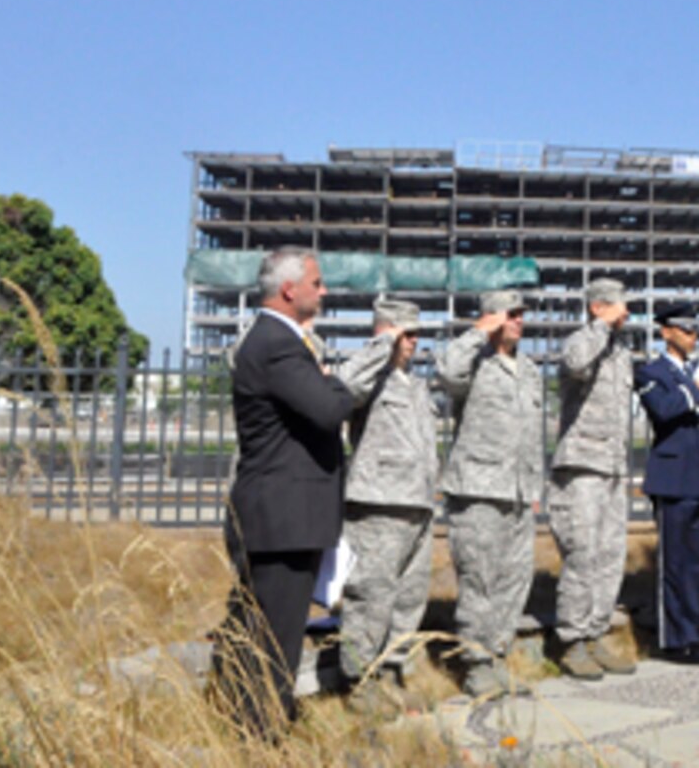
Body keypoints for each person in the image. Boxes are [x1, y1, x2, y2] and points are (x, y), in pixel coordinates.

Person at [209, 247, 396, 739]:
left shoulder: (278, 341)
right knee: (275, 639)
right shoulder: (276, 343)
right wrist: (331, 387)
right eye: (317, 282)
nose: (324, 290)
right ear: (290, 290)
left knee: (260, 630)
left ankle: (245, 723)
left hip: (281, 518)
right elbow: (327, 408)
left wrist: (325, 383)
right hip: (281, 521)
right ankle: (261, 733)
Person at [436, 288, 546, 699]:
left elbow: (532, 436)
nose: (518, 321)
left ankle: (497, 655)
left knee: (514, 579)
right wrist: (478, 332)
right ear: (491, 318)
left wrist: (533, 487)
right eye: (510, 314)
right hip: (478, 490)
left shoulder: (530, 370)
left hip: (517, 493)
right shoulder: (473, 363)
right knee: (479, 580)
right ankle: (476, 663)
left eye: (521, 315)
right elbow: (446, 374)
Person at [333, 295, 439, 714]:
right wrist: (382, 343)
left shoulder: (415, 385)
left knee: (408, 597)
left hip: (416, 503)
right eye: (405, 334)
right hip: (378, 503)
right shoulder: (368, 376)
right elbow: (344, 385)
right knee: (372, 596)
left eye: (416, 334)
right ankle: (359, 680)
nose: (412, 342)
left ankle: (391, 670)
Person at [545, 278, 639, 680]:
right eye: (620, 305)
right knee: (582, 553)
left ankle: (596, 631)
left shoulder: (621, 352)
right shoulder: (582, 340)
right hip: (581, 464)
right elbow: (576, 365)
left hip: (614, 466)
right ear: (598, 307)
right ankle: (572, 640)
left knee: (609, 554)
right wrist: (601, 325)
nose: (628, 313)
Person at [634, 301, 699, 664]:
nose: (693, 336)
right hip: (673, 480)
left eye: (695, 330)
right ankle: (674, 640)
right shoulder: (652, 372)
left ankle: (693, 635)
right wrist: (694, 389)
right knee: (674, 564)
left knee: (696, 562)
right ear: (666, 332)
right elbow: (662, 411)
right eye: (685, 330)